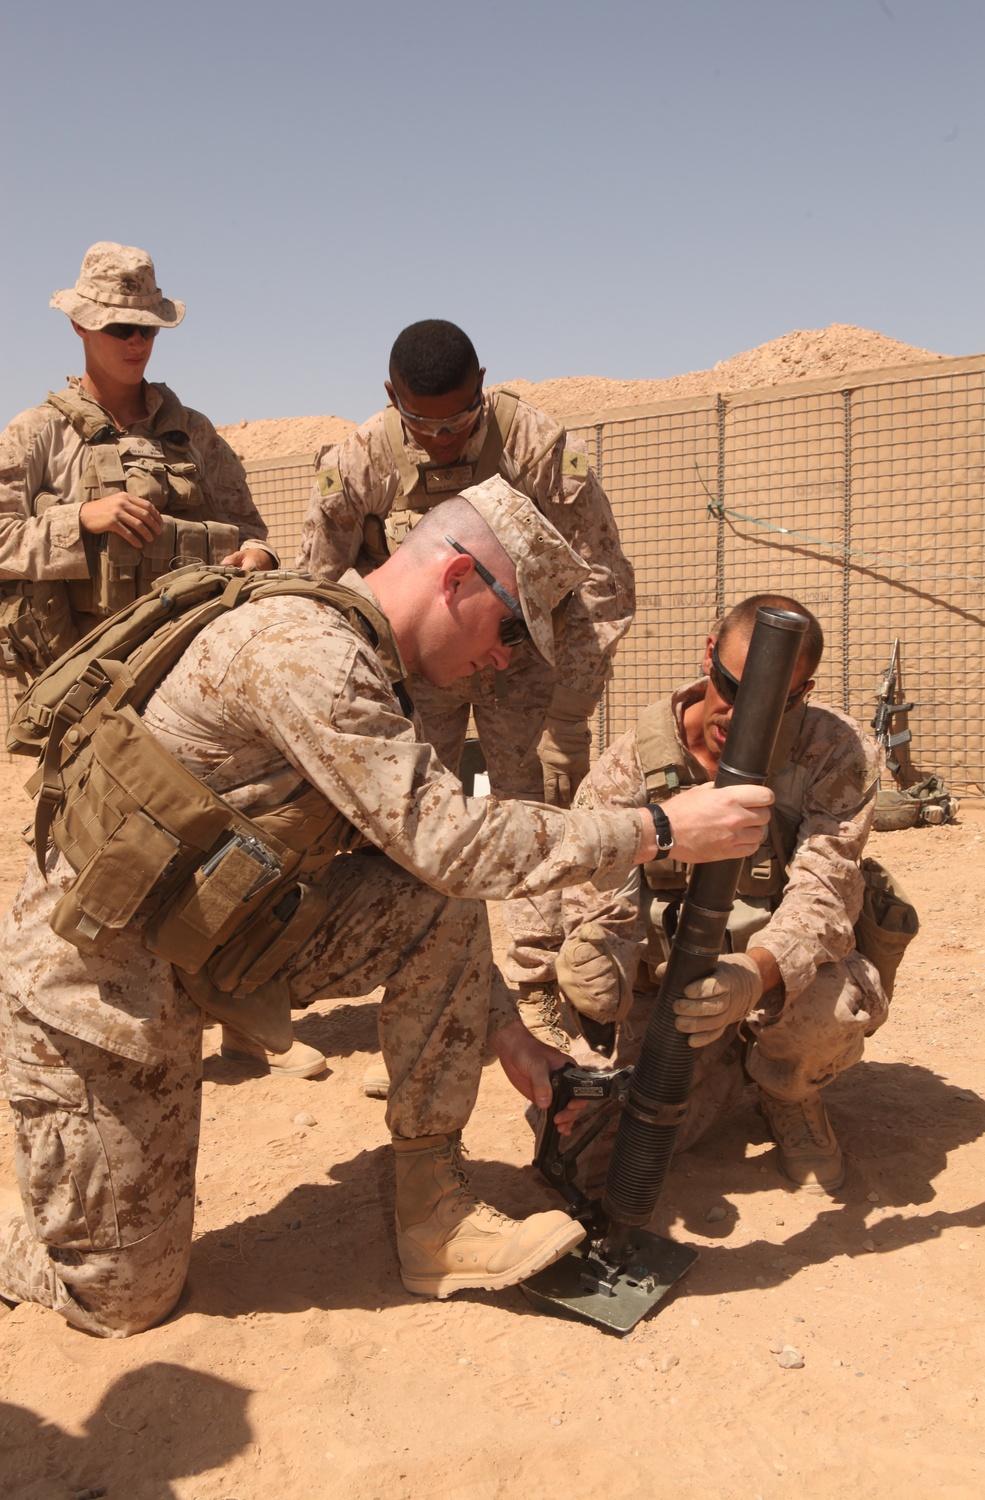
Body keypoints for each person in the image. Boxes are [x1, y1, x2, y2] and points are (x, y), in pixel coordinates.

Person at [0, 476, 772, 1337]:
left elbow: (423, 876)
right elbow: (458, 843)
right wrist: (657, 828)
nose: (509, 657)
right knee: (122, 1298)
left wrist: (512, 1041)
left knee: (430, 905)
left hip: (203, 943)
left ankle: (433, 1219)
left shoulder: (358, 658)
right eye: (512, 627)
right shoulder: (308, 655)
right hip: (96, 994)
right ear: (458, 579)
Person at [0, 241, 326, 1080]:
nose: (134, 340)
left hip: (187, 684)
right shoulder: (37, 438)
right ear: (78, 323)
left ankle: (243, 1016)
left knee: (225, 846)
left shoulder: (194, 434)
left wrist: (252, 558)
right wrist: (84, 522)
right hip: (87, 692)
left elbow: (254, 529)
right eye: (116, 325)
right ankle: (92, 1039)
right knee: (92, 862)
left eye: (145, 325)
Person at [296, 320, 636, 1054]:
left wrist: (571, 708)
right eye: (422, 421)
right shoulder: (359, 461)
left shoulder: (536, 445)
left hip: (526, 661)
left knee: (534, 803)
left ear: (482, 384)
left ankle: (538, 983)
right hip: (419, 668)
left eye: (458, 420)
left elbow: (604, 581)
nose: (443, 438)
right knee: (411, 824)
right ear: (392, 398)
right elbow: (316, 585)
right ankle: (423, 998)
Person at [552, 593, 885, 1193]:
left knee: (831, 1008)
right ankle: (729, 1070)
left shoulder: (835, 752)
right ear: (709, 656)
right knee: (590, 1155)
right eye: (731, 686)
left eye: (778, 700)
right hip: (674, 988)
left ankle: (787, 1089)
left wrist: (754, 976)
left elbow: (825, 894)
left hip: (773, 980)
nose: (742, 714)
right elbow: (595, 886)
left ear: (803, 691)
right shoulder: (633, 764)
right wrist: (601, 954)